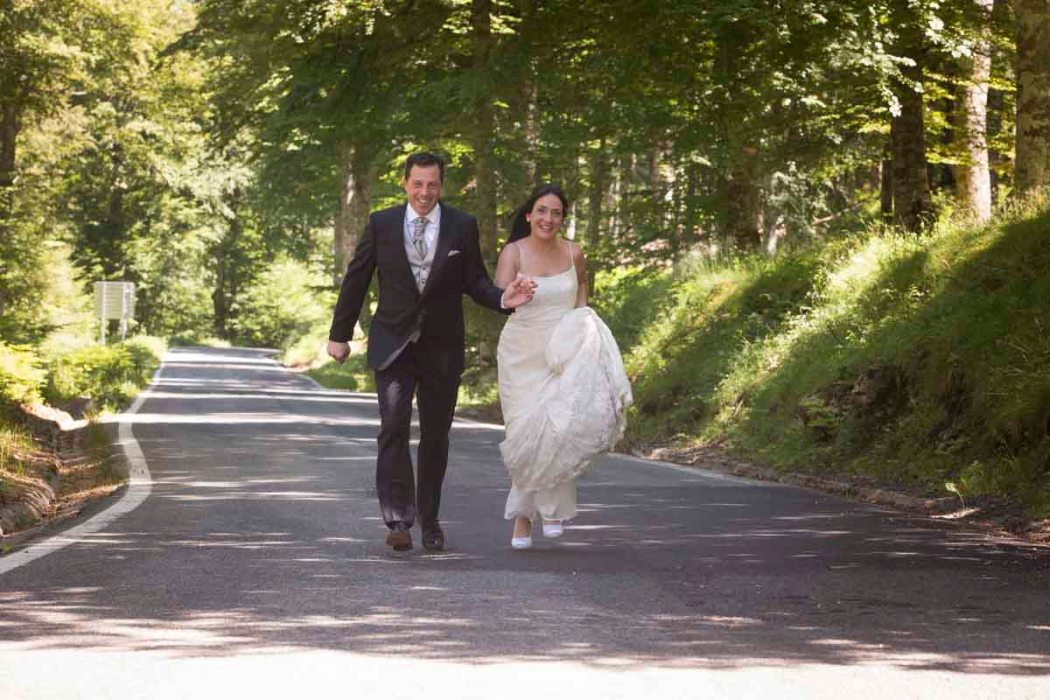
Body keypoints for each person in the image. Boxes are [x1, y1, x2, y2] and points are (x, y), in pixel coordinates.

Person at [327, 152, 536, 552]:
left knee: (436, 436)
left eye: (433, 185)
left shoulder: (461, 225)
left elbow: (474, 280)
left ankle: (430, 519)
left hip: (442, 346)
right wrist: (340, 334)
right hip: (393, 343)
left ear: (441, 186)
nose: (425, 192)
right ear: (405, 183)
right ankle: (398, 520)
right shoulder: (382, 223)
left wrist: (503, 299)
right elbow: (357, 278)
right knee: (393, 427)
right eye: (418, 184)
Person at [494, 184, 632, 549]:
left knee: (558, 429)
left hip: (565, 350)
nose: (548, 218)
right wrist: (515, 293)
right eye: (541, 211)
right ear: (529, 215)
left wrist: (583, 325)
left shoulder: (574, 252)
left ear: (563, 219)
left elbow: (581, 288)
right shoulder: (513, 252)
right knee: (527, 433)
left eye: (556, 213)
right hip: (521, 352)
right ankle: (524, 518)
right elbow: (499, 297)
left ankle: (549, 510)